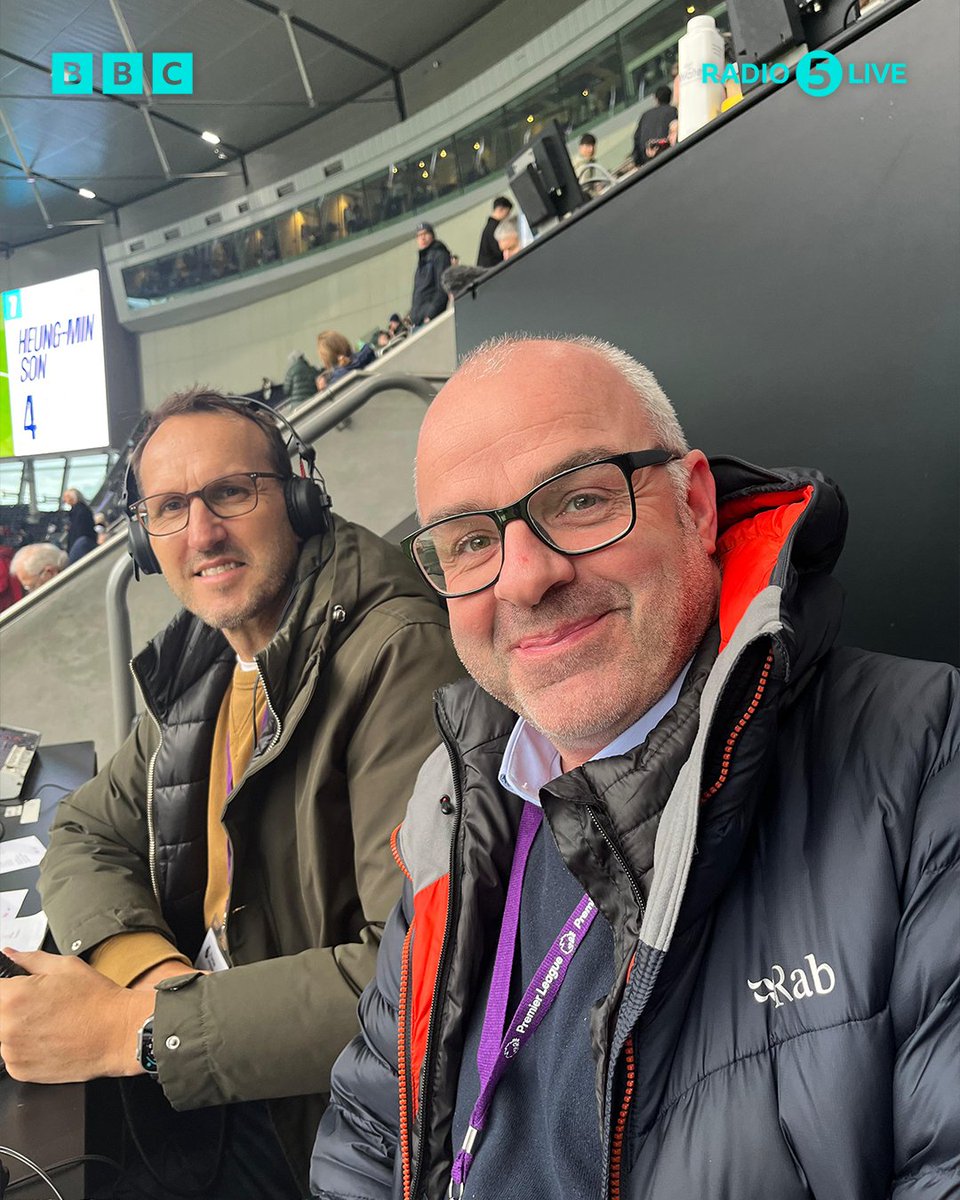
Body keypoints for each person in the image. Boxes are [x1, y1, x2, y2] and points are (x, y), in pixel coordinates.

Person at [311, 336, 959, 1200]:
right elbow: (364, 1140)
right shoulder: (456, 810)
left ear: (693, 503)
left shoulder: (924, 760)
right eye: (470, 542)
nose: (525, 579)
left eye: (579, 499)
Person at [0, 390, 463, 1198]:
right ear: (146, 542)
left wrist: (134, 1029)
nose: (203, 532)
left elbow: (417, 978)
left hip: (329, 1117)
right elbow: (85, 832)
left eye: (231, 492)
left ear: (298, 498)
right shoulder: (211, 659)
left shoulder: (398, 654)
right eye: (171, 507)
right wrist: (153, 981)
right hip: (210, 1042)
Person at [409, 222, 452, 327]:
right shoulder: (422, 261)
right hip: (418, 319)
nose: (422, 238)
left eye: (425, 234)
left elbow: (442, 286)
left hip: (430, 318)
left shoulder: (439, 255)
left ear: (432, 235)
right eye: (419, 236)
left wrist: (431, 314)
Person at [633, 85, 679, 166]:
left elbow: (637, 139)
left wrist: (638, 162)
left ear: (656, 98)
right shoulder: (673, 111)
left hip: (648, 162)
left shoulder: (645, 115)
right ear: (670, 97)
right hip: (669, 158)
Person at [476, 197, 514, 268]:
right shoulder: (495, 228)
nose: (508, 216)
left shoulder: (489, 227)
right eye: (507, 212)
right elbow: (499, 251)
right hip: (491, 268)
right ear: (500, 209)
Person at [62, 487, 97, 563]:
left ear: (73, 498)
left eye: (67, 497)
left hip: (81, 545)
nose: (65, 500)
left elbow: (80, 530)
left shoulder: (80, 512)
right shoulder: (81, 510)